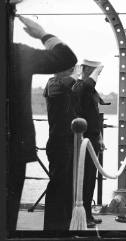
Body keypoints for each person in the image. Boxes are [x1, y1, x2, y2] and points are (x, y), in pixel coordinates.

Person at [7, 12, 77, 231]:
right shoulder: (17, 55)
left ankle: (61, 223)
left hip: (59, 142)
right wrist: (43, 35)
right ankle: (54, 226)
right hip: (27, 145)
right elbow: (66, 58)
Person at [43, 66, 82, 230]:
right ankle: (52, 227)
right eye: (70, 68)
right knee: (58, 184)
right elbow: (59, 88)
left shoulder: (66, 88)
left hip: (69, 141)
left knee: (67, 185)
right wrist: (75, 76)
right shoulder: (53, 83)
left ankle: (64, 224)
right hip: (58, 141)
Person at [72, 60, 105, 228]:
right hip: (83, 139)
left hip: (92, 138)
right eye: (92, 71)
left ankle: (88, 214)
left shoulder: (89, 90)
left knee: (91, 178)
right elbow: (86, 86)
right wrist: (96, 72)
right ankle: (84, 215)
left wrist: (99, 137)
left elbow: (94, 115)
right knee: (85, 179)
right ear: (85, 70)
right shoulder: (79, 87)